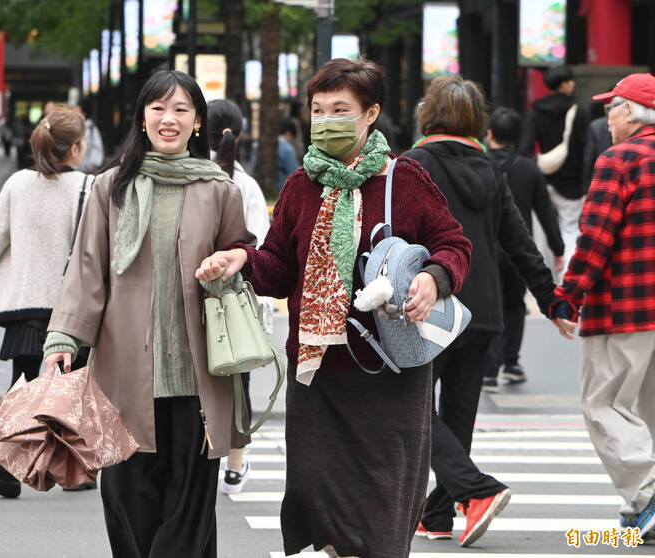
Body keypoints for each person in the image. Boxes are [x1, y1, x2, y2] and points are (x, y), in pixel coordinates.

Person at [196, 58, 472, 558]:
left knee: (384, 507)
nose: (326, 119)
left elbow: (454, 243)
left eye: (340, 109)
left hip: (390, 371)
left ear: (371, 114)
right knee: (317, 494)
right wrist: (243, 258)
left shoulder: (403, 180)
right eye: (318, 109)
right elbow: (279, 266)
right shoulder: (303, 185)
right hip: (319, 372)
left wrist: (435, 278)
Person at [43, 70, 255, 558]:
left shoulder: (221, 189)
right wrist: (62, 342)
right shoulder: (108, 188)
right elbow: (86, 272)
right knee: (128, 505)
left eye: (181, 109)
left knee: (189, 514)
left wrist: (229, 264)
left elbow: (243, 262)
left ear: (198, 121)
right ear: (142, 117)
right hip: (124, 380)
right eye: (159, 108)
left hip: (199, 380)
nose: (169, 118)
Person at [404, 76, 556, 547]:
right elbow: (519, 241)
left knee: (412, 411)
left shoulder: (413, 165)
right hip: (484, 310)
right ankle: (438, 514)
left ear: (429, 114)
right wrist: (551, 300)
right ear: (477, 121)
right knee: (458, 414)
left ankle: (477, 491)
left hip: (432, 305)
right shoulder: (491, 170)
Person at [551, 73, 655, 540]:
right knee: (649, 411)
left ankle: (648, 494)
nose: (606, 115)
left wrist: (567, 295)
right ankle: (642, 507)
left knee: (604, 405)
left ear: (630, 113)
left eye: (611, 107)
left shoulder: (620, 159)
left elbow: (594, 239)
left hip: (623, 306)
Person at [0, 107, 91, 499]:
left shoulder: (18, 183)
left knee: (21, 385)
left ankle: (8, 470)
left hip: (24, 301)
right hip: (71, 306)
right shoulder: (88, 188)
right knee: (72, 390)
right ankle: (74, 471)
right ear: (75, 147)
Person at [206, 98, 273, 494]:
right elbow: (262, 249)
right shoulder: (245, 186)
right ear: (241, 134)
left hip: (194, 296)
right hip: (236, 304)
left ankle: (205, 457)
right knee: (237, 384)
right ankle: (234, 465)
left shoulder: (196, 176)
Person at [482, 107, 565, 392]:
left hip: (486, 247)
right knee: (516, 305)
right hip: (519, 249)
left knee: (490, 302)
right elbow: (546, 213)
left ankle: (489, 369)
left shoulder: (480, 164)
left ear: (489, 133)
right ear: (518, 136)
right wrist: (558, 248)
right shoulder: (529, 168)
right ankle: (512, 362)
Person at [519, 65, 589, 277]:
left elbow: (525, 148)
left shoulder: (536, 111)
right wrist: (586, 184)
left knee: (543, 235)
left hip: (542, 178)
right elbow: (586, 149)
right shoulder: (579, 111)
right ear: (565, 83)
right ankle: (569, 280)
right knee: (570, 231)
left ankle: (547, 284)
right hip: (572, 182)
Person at [75, 97, 105, 173]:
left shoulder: (91, 128)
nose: (74, 114)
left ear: (83, 113)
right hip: (74, 170)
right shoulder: (72, 128)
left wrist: (92, 165)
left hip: (88, 171)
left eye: (76, 111)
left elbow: (97, 148)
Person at [277, 118, 300, 190]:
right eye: (292, 138)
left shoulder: (263, 145)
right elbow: (294, 172)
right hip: (280, 188)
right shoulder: (287, 148)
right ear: (288, 133)